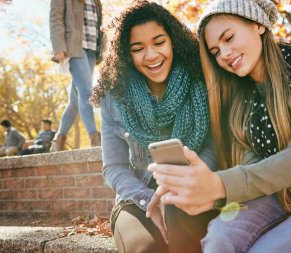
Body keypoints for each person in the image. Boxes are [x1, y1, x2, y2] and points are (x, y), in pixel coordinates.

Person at [149, 0, 291, 252]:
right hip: (281, 192)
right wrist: (196, 193)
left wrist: (218, 186)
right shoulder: (239, 100)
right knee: (220, 237)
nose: (224, 54)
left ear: (258, 25)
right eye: (215, 52)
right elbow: (252, 166)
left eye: (228, 38)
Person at [90, 1, 218, 252]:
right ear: (127, 54)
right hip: (136, 200)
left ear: (173, 42)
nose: (151, 55)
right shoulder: (113, 97)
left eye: (159, 43)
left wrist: (193, 180)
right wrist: (150, 199)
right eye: (138, 48)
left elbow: (213, 146)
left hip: (192, 189)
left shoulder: (201, 83)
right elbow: (114, 168)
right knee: (146, 248)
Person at [49, 0, 103, 151]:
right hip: (74, 48)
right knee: (86, 92)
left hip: (92, 49)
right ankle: (94, 137)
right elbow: (56, 18)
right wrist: (58, 46)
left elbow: (98, 24)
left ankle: (58, 140)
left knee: (75, 101)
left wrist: (102, 48)